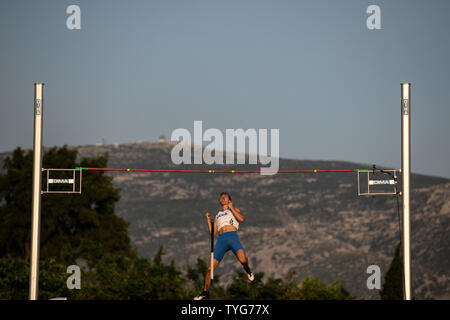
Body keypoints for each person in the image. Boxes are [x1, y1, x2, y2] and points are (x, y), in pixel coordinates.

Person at [194, 192, 254, 300]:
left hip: (232, 237)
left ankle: (247, 269)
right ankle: (205, 292)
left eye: (224, 197)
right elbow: (213, 233)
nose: (222, 198)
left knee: (243, 260)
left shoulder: (235, 210)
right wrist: (208, 220)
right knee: (209, 268)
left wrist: (231, 207)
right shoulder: (217, 215)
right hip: (221, 240)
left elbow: (241, 219)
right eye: (220, 197)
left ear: (229, 200)